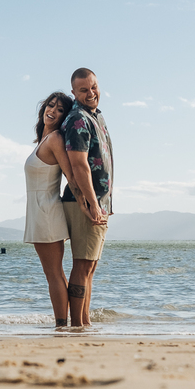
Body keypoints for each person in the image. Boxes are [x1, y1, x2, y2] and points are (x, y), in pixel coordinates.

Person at [23, 91, 89, 328]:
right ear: (43, 108)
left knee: (53, 274)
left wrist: (85, 203)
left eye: (60, 109)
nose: (53, 111)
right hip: (40, 211)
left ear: (64, 117)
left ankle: (62, 326)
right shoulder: (43, 140)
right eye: (51, 105)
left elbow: (71, 175)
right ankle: (66, 324)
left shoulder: (55, 139)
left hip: (47, 211)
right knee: (55, 274)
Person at [60, 67, 113, 328]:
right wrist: (92, 204)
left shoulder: (96, 117)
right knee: (82, 265)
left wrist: (103, 204)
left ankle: (85, 322)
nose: (91, 93)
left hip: (98, 204)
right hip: (83, 204)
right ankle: (77, 325)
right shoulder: (78, 119)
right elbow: (79, 166)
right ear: (74, 93)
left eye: (93, 87)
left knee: (89, 267)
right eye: (84, 90)